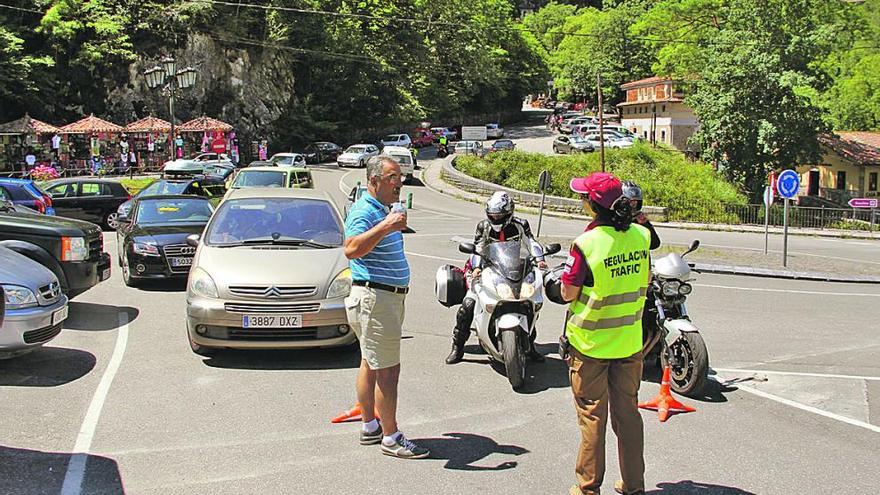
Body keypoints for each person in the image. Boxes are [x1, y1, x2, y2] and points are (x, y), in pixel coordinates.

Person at [559, 172, 657, 495]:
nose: (582, 201)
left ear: (592, 206)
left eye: (584, 197)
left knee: (592, 419)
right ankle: (633, 486)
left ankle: (587, 488)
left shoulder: (586, 244)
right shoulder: (641, 237)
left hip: (590, 347)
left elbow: (568, 292)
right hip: (629, 345)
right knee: (628, 416)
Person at [343, 155, 430, 460]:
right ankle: (391, 437)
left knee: (371, 362)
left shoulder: (379, 209)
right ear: (374, 180)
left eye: (400, 176)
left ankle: (370, 426)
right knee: (388, 371)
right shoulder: (365, 211)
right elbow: (351, 249)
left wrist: (388, 222)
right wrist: (386, 225)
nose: (399, 182)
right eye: (393, 177)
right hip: (376, 299)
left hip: (381, 298)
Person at [444, 191, 548, 364]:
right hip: (486, 268)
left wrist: (540, 260)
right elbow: (478, 246)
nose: (495, 220)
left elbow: (532, 243)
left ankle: (529, 345)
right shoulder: (483, 226)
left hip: (514, 269)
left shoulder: (521, 224)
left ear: (509, 213)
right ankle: (458, 346)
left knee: (529, 303)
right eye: (492, 216)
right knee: (468, 304)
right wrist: (476, 267)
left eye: (499, 216)